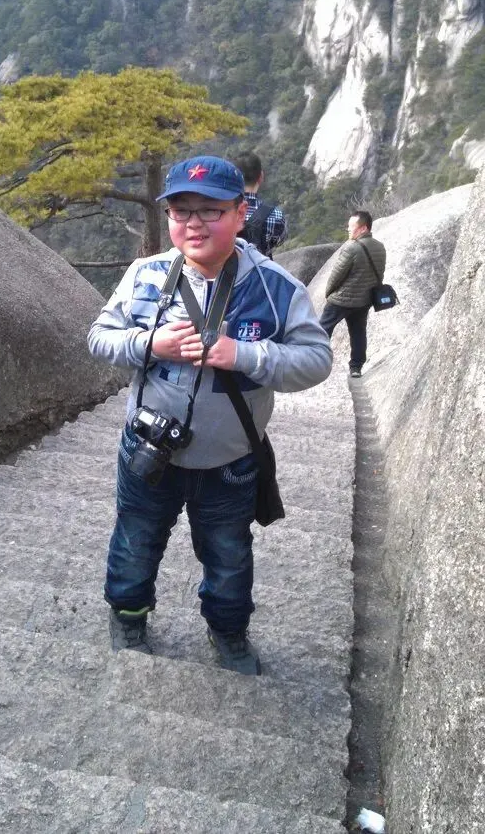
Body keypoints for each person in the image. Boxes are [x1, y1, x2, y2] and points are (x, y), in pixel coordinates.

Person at [87, 155, 332, 676]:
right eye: (181, 211)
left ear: (241, 213)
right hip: (148, 449)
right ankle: (128, 617)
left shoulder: (275, 287)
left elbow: (317, 360)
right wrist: (149, 344)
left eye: (210, 210)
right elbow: (99, 337)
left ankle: (228, 634)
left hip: (230, 461)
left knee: (228, 556)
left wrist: (244, 355)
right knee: (135, 541)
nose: (193, 223)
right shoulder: (145, 275)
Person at [320, 210, 387, 378]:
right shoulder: (380, 247)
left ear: (363, 228)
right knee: (358, 333)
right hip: (363, 301)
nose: (348, 229)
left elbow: (336, 275)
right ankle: (356, 367)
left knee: (322, 329)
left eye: (351, 226)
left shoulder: (351, 247)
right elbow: (379, 274)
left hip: (341, 300)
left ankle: (316, 361)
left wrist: (328, 293)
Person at [232, 152, 287, 257]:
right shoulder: (276, 215)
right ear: (261, 176)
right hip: (261, 266)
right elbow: (279, 240)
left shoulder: (222, 211)